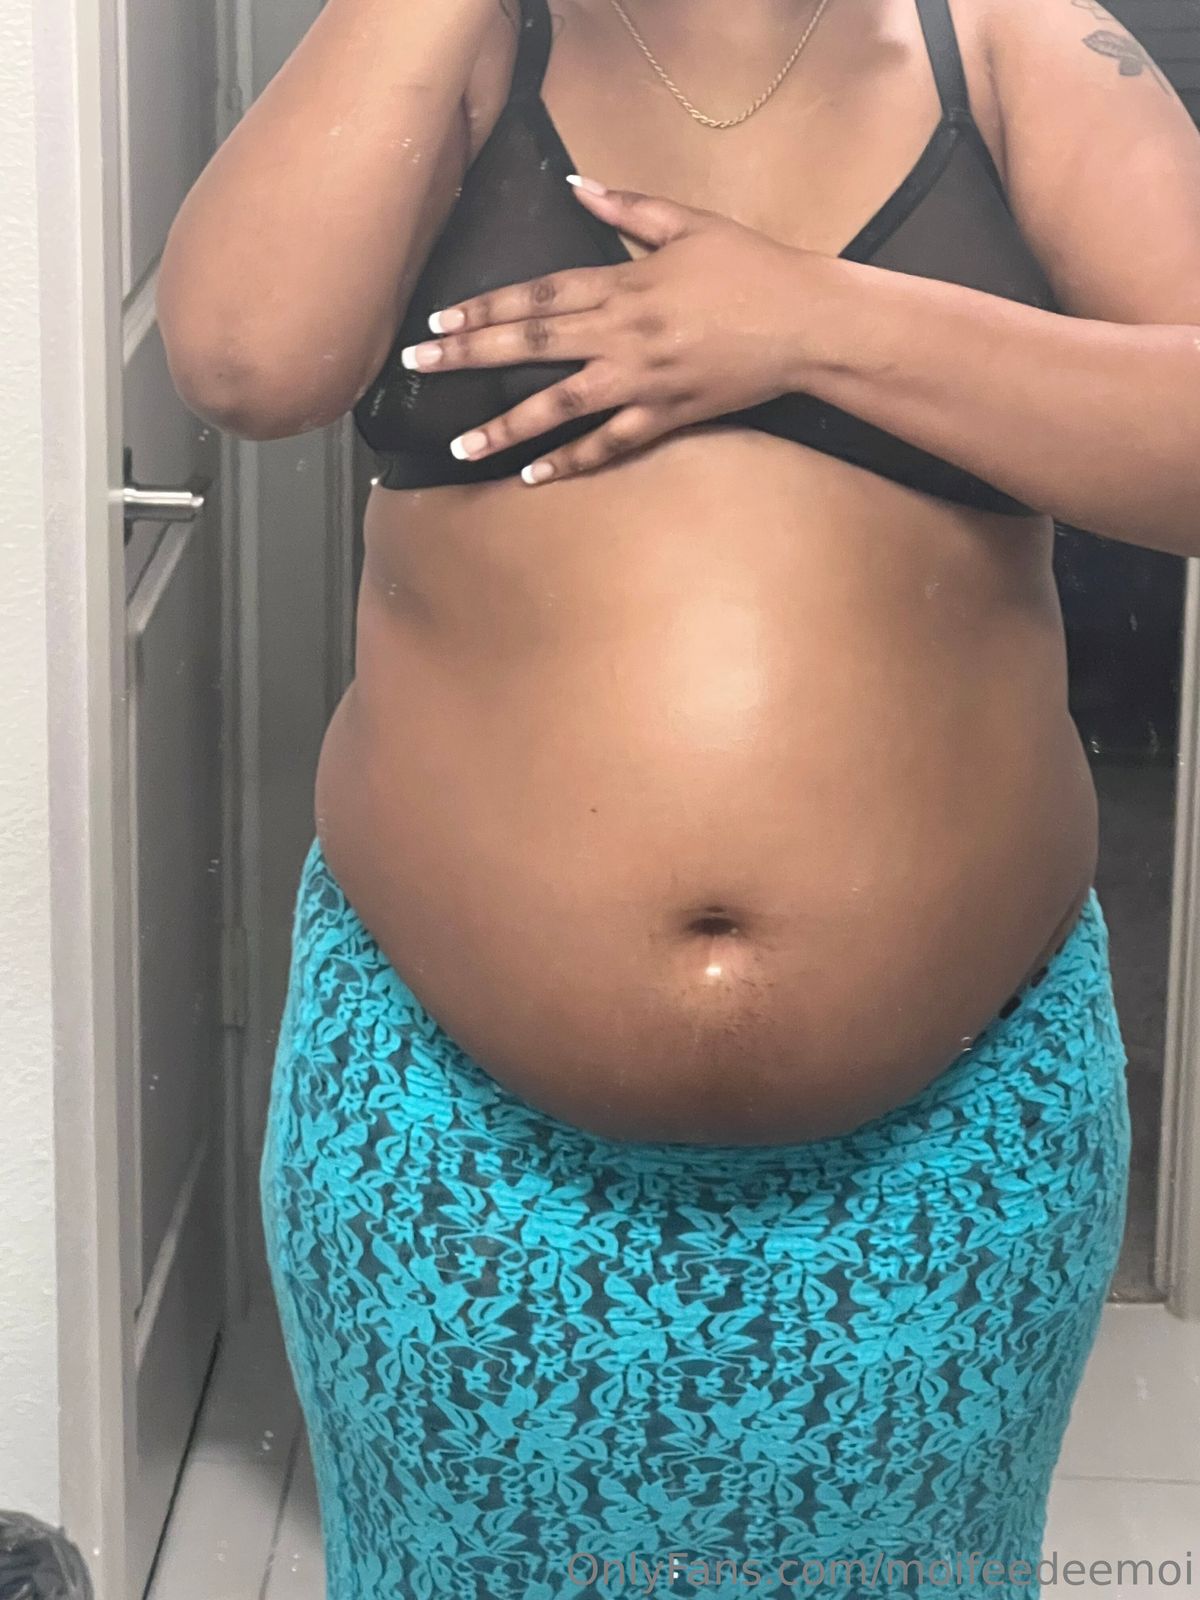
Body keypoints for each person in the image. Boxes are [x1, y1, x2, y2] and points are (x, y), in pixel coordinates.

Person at [157, 0, 1200, 1592]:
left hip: (952, 1145)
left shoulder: (1012, 41)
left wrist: (812, 325)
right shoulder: (461, 46)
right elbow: (243, 359)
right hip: (453, 1145)